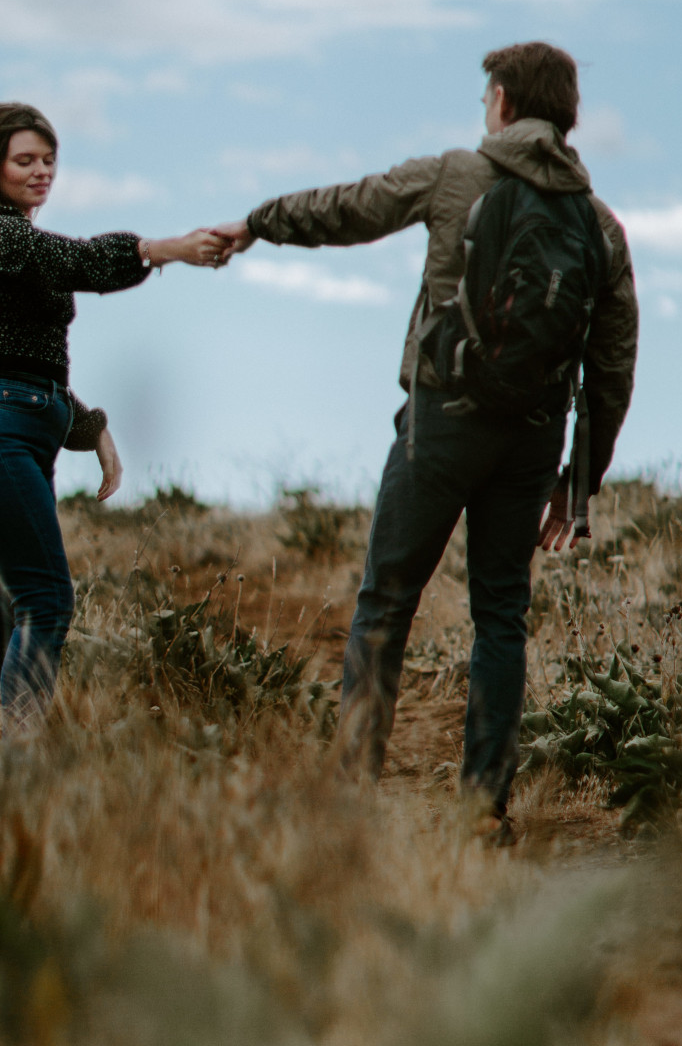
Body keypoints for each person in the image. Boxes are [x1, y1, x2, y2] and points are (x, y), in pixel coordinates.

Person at [213, 43, 638, 836]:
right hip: (532, 442)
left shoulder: (454, 176)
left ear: (505, 102)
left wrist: (259, 223)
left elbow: (353, 207)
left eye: (487, 99)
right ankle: (485, 809)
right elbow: (613, 365)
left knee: (385, 603)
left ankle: (351, 794)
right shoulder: (598, 223)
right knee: (500, 614)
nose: (484, 111)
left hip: (443, 422)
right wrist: (580, 481)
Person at [0, 101, 224, 734]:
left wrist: (92, 429)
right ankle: (19, 777)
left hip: (6, 429)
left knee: (5, 617)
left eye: (49, 160)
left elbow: (31, 368)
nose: (41, 172)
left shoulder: (17, 245)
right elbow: (79, 265)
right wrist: (159, 249)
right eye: (25, 160)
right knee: (48, 602)